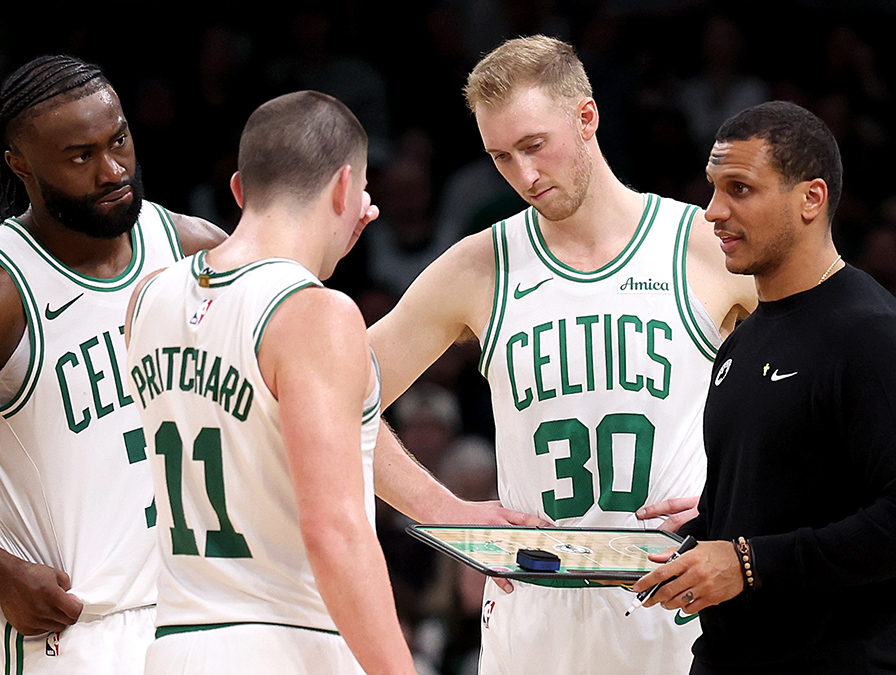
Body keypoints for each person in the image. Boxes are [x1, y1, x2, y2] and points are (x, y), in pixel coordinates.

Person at [367, 35, 758, 675]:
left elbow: (830, 392)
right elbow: (326, 400)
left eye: (534, 145)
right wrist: (445, 511)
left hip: (677, 607)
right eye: (501, 156)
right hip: (533, 613)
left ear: (586, 117)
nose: (523, 175)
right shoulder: (480, 264)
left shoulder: (704, 246)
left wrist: (746, 503)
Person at [632, 100, 896, 674]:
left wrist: (746, 563)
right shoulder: (741, 341)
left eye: (740, 189)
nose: (713, 211)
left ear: (811, 198)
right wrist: (683, 544)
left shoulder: (876, 338)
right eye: (714, 189)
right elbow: (765, 514)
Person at [124, 90, 415, 675]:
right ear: (344, 188)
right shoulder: (317, 314)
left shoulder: (147, 298)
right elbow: (333, 532)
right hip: (287, 645)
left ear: (238, 190)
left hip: (173, 645)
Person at [0, 55, 226, 673]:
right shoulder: (10, 286)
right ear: (21, 166)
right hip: (72, 632)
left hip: (202, 616)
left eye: (118, 140)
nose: (113, 170)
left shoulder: (195, 251)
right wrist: (2, 572)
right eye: (81, 157)